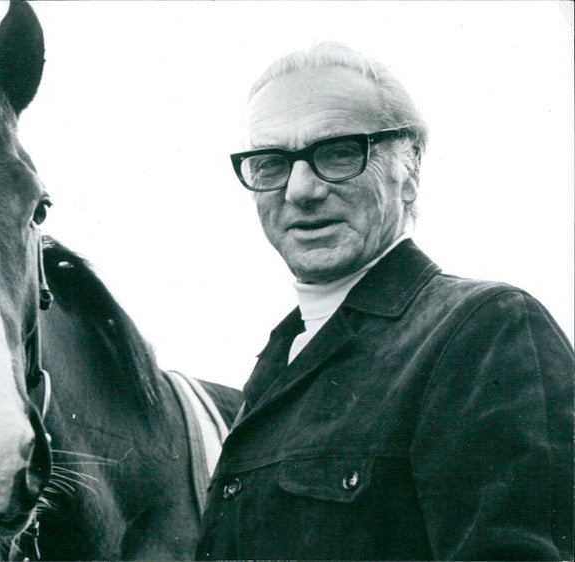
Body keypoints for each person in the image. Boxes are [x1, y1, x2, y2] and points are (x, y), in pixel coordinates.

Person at [195, 41, 573, 561]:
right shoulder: (278, 362)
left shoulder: (485, 330)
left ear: (410, 169)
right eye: (270, 163)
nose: (300, 189)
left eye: (340, 152)